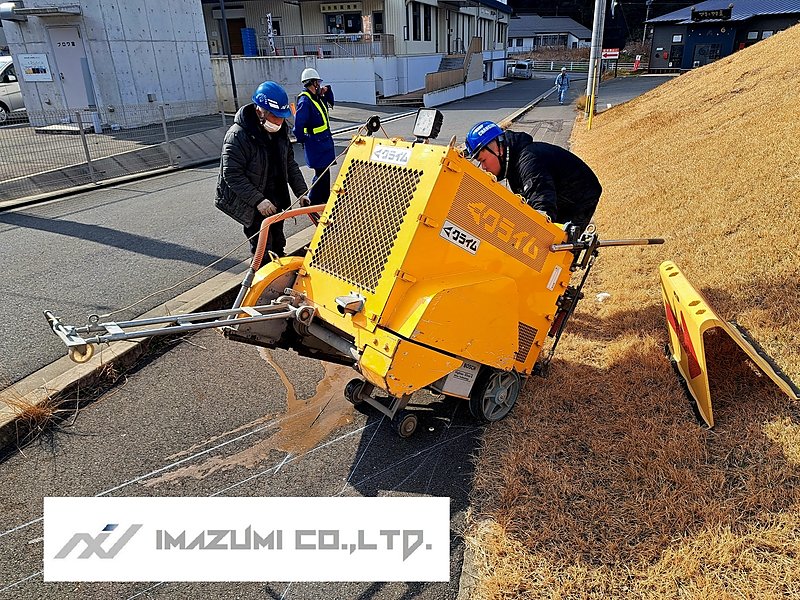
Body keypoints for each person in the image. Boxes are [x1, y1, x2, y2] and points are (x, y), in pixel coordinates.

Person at [215, 81, 308, 256]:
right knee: (262, 249)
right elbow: (232, 174)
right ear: (260, 111)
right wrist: (258, 200)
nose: (279, 121)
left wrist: (302, 192)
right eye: (274, 116)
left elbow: (289, 164)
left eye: (282, 116)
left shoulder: (280, 131)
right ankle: (262, 273)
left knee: (278, 241)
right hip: (254, 202)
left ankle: (279, 266)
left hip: (276, 198)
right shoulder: (238, 135)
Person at [465, 121, 602, 232]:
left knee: (559, 247)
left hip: (578, 199)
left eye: (483, 160)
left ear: (498, 150)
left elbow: (543, 208)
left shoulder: (529, 161)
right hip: (562, 196)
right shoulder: (513, 162)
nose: (483, 167)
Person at [293, 67, 336, 208]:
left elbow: (330, 102)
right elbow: (298, 125)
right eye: (318, 82)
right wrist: (303, 139)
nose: (320, 84)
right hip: (316, 143)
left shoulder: (316, 98)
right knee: (320, 172)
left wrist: (327, 90)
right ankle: (313, 201)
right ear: (313, 83)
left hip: (323, 142)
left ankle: (324, 199)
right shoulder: (305, 101)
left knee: (325, 171)